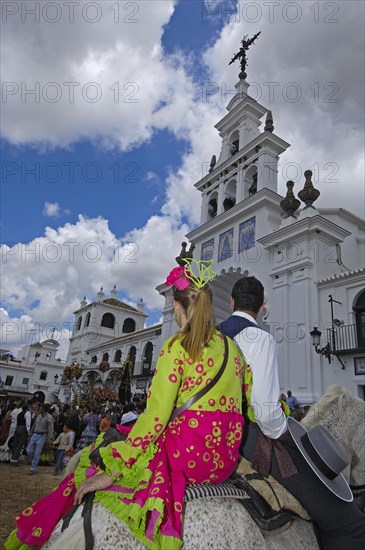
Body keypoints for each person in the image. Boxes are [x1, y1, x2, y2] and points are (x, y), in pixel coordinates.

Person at [6, 260, 246, 550]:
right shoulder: (233, 349)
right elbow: (250, 402)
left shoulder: (176, 347)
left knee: (90, 464)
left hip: (185, 456)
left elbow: (156, 417)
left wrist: (118, 466)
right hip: (224, 459)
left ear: (178, 306)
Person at [218, 276, 365, 550]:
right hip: (246, 438)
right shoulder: (259, 339)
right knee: (349, 525)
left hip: (208, 434)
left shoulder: (211, 337)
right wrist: (288, 432)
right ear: (262, 306)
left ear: (231, 302)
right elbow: (266, 416)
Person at [26, 404, 54, 475]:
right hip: (35, 434)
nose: (39, 409)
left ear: (44, 409)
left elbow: (50, 428)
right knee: (29, 450)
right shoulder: (38, 416)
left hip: (42, 436)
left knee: (37, 453)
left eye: (41, 408)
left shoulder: (49, 417)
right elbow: (34, 425)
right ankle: (33, 461)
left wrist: (50, 438)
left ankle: (33, 468)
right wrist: (30, 433)